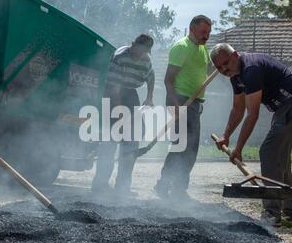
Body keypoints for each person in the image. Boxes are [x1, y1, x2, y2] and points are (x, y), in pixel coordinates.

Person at [210, 43, 292, 227]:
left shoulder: (251, 69)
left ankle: (272, 213)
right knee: (280, 156)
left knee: (268, 151)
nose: (224, 69)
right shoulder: (236, 76)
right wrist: (226, 136)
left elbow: (252, 114)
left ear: (235, 55)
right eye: (219, 67)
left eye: (226, 63)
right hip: (283, 108)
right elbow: (238, 109)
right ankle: (291, 211)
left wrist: (239, 148)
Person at [154, 15, 212, 201]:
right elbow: (168, 80)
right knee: (181, 147)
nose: (206, 36)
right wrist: (177, 107)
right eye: (203, 32)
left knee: (191, 149)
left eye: (209, 33)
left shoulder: (203, 49)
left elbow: (206, 70)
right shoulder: (181, 47)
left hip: (194, 104)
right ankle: (164, 185)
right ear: (192, 29)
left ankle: (178, 189)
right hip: (178, 100)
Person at [91, 34, 155, 197]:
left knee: (131, 142)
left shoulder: (147, 60)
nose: (141, 55)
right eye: (139, 51)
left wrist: (149, 97)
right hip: (112, 95)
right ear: (133, 44)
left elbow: (151, 76)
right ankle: (100, 185)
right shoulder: (120, 56)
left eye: (145, 52)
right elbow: (114, 87)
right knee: (109, 142)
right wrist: (119, 113)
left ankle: (123, 187)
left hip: (131, 95)